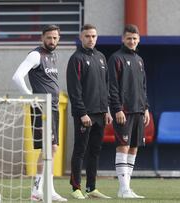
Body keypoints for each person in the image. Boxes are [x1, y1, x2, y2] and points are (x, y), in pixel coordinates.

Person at [12, 24, 67, 202]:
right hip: (41, 108)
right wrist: (30, 97)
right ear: (42, 38)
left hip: (54, 108)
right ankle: (37, 191)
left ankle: (47, 191)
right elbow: (17, 77)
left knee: (52, 149)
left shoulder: (53, 56)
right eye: (49, 37)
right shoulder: (36, 55)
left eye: (55, 38)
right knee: (47, 150)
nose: (52, 41)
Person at [66, 24, 112, 200]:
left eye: (93, 36)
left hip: (100, 114)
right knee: (80, 150)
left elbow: (105, 86)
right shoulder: (76, 59)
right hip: (84, 115)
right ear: (81, 37)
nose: (91, 39)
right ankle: (75, 187)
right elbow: (74, 90)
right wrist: (82, 113)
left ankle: (91, 187)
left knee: (95, 151)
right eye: (87, 36)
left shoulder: (101, 58)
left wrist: (106, 110)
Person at [108, 24, 150, 199]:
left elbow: (143, 87)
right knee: (123, 147)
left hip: (139, 111)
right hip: (123, 111)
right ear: (122, 39)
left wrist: (146, 108)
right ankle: (123, 188)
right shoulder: (116, 59)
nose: (132, 41)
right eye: (129, 38)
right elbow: (112, 87)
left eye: (134, 38)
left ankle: (126, 188)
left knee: (133, 148)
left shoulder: (139, 60)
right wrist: (117, 109)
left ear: (138, 39)